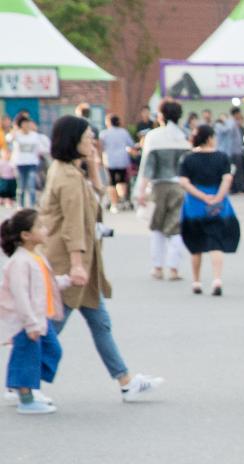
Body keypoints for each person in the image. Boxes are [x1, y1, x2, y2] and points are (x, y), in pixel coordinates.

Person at [42, 115, 164, 401]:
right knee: (51, 325)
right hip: (72, 261)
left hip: (82, 261)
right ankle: (23, 382)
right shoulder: (68, 177)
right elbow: (73, 224)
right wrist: (75, 264)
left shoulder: (69, 170)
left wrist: (94, 166)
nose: (92, 143)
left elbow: (95, 201)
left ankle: (125, 380)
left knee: (99, 322)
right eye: (87, 138)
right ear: (73, 141)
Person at [1, 209, 71, 414]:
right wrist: (30, 323)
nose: (45, 229)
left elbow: (45, 284)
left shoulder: (36, 257)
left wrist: (66, 281)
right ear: (26, 235)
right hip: (26, 320)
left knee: (53, 351)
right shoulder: (19, 262)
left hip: (41, 316)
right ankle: (26, 398)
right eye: (39, 226)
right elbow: (20, 295)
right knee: (27, 356)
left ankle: (23, 385)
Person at [178, 124, 240, 296]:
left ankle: (196, 282)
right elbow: (227, 179)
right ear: (210, 138)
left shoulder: (188, 158)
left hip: (194, 206)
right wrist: (217, 197)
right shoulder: (221, 157)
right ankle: (217, 279)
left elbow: (183, 182)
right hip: (218, 207)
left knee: (196, 245)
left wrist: (202, 197)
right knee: (216, 243)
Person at [136, 98, 189, 281]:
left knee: (156, 227)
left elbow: (147, 167)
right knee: (176, 229)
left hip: (158, 186)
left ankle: (157, 267)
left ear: (161, 115)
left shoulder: (154, 136)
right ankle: (173, 268)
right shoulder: (183, 136)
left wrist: (141, 191)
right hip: (180, 186)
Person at [99, 115, 134, 212]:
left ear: (109, 122)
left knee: (112, 182)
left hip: (110, 161)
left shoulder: (104, 133)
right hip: (123, 160)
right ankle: (122, 200)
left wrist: (100, 159)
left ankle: (114, 204)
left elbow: (101, 147)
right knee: (122, 181)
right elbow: (131, 144)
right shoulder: (124, 132)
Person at [11, 116, 47, 208]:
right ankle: (20, 205)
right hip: (20, 163)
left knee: (31, 186)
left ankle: (32, 206)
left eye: (28, 123)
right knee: (21, 187)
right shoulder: (16, 134)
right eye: (24, 123)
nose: (27, 125)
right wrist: (14, 130)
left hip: (32, 163)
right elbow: (9, 139)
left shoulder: (34, 135)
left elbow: (44, 146)